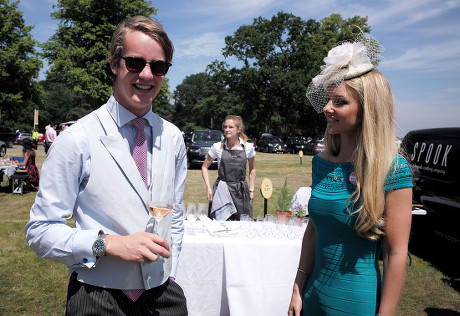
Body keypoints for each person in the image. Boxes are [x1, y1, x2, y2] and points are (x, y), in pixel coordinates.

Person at [25, 15, 188, 315]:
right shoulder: (77, 139)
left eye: (159, 66)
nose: (147, 75)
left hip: (164, 297)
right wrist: (108, 245)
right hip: (97, 298)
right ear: (115, 63)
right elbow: (39, 231)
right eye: (135, 63)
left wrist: (171, 271)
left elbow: (174, 216)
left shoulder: (174, 137)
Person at [288, 34, 413, 316]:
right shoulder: (321, 162)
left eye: (339, 102)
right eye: (328, 99)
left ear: (368, 109)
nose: (326, 108)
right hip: (312, 298)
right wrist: (298, 286)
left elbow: (396, 254)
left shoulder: (392, 170)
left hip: (356, 303)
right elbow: (314, 229)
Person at [201, 115, 256, 220]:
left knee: (242, 224)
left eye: (230, 127)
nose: (227, 130)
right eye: (225, 127)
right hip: (222, 189)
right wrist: (208, 188)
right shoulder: (218, 147)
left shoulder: (248, 147)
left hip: (241, 191)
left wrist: (251, 190)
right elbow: (204, 167)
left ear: (238, 129)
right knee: (219, 225)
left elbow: (253, 169)